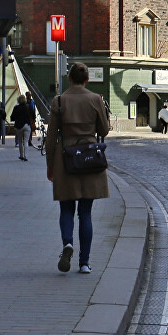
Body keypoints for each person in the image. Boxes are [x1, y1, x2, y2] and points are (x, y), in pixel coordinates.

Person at [47, 62, 110, 275]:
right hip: (90, 158)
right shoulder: (95, 99)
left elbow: (50, 138)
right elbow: (104, 130)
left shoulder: (60, 101)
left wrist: (50, 167)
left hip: (65, 158)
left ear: (69, 78)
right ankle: (84, 263)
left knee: (66, 209)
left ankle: (67, 243)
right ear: (87, 80)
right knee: (86, 212)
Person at [11, 95, 33, 161]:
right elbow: (33, 115)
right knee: (26, 141)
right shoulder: (28, 107)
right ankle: (26, 156)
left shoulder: (16, 108)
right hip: (27, 125)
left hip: (19, 126)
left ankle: (21, 155)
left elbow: (12, 117)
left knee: (20, 141)